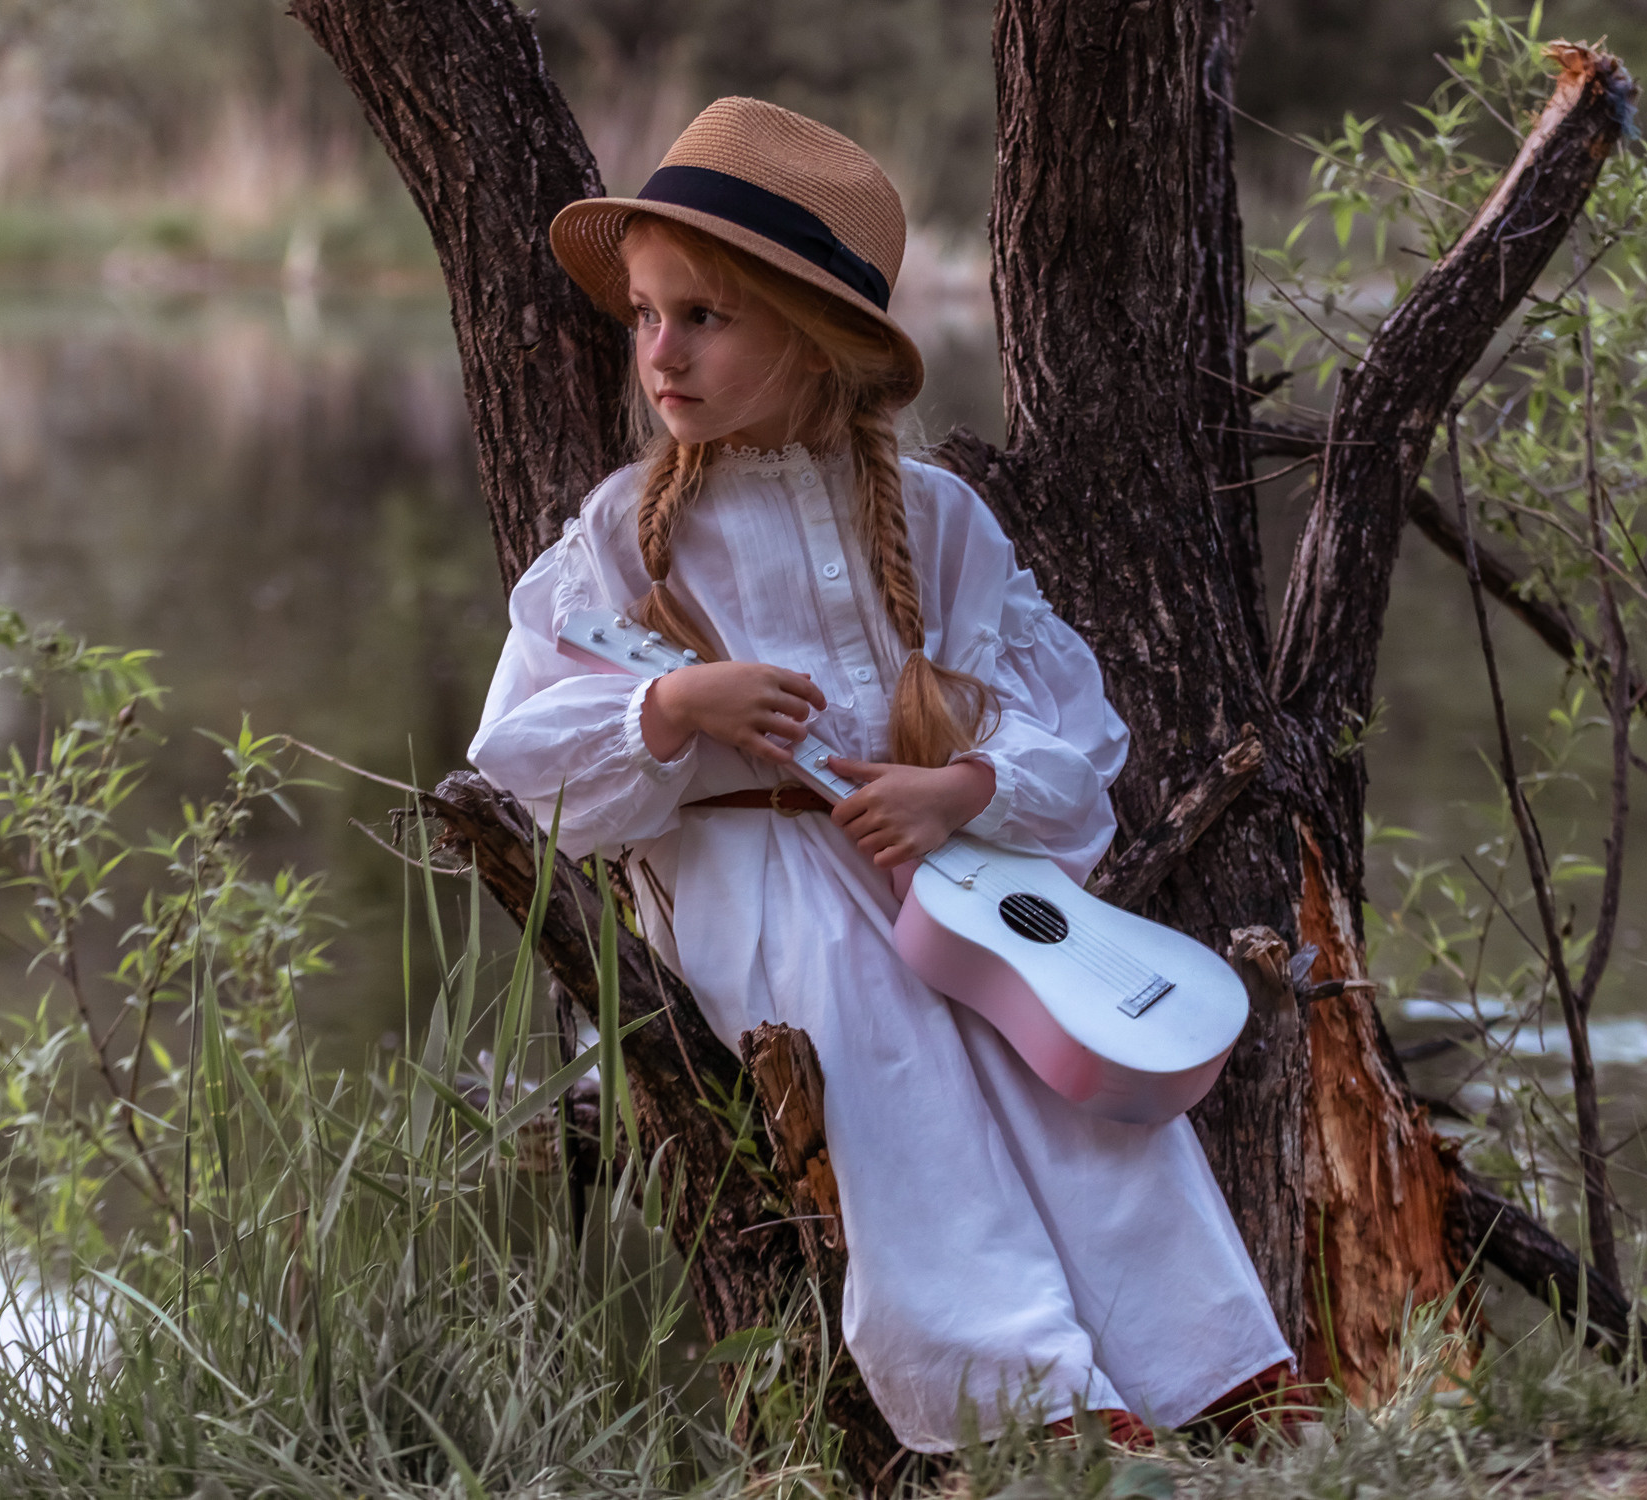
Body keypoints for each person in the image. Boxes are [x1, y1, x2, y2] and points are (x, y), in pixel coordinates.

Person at [467, 96, 1292, 1453]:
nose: (659, 354)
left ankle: (1212, 1368)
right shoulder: (623, 539)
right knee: (886, 1063)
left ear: (819, 341)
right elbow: (519, 762)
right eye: (644, 316)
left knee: (1063, 1058)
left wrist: (960, 791)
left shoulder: (931, 518)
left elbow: (1070, 729)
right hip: (746, 884)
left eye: (702, 318)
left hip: (939, 868)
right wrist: (671, 705)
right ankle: (1026, 1411)